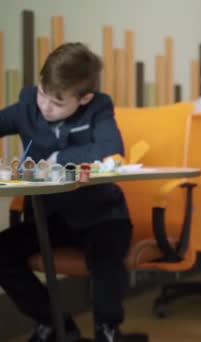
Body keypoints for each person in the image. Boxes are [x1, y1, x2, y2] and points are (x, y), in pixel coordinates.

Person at [0, 43, 131, 342]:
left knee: (106, 260)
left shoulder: (99, 108)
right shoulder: (28, 107)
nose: (45, 107)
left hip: (103, 216)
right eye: (42, 93)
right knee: (2, 253)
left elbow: (110, 149)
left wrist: (60, 158)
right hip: (53, 220)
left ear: (83, 99)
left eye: (57, 103)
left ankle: (107, 330)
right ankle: (54, 323)